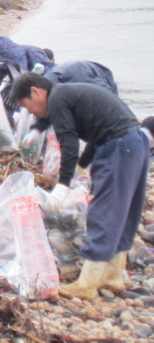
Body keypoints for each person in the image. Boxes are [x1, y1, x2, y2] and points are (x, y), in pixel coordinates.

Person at [10, 73, 149, 300]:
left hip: (118, 147)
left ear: (36, 91)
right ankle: (113, 275)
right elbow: (98, 129)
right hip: (134, 143)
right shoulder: (71, 92)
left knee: (103, 211)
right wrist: (81, 166)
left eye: (27, 105)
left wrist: (63, 185)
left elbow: (69, 140)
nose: (31, 112)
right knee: (124, 211)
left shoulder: (57, 98)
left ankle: (87, 283)